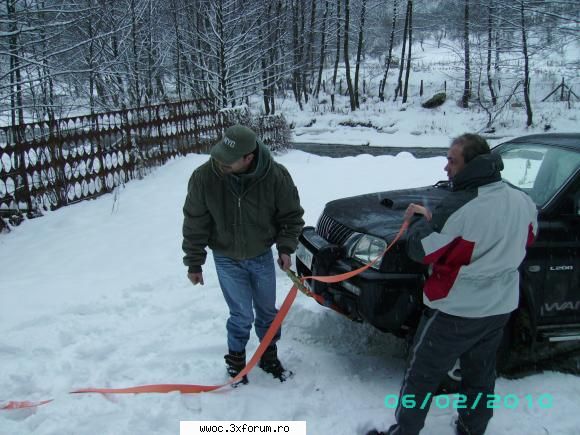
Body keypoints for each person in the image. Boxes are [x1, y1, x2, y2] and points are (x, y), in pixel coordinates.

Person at [368, 134, 537, 435]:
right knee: (480, 374)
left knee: (420, 376)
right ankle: (472, 429)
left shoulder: (461, 207)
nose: (446, 167)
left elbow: (421, 250)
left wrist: (419, 223)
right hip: (498, 308)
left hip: (455, 310)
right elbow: (527, 239)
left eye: (452, 160)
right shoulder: (523, 201)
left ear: (472, 165)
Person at [182, 124, 304, 384]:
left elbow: (291, 217)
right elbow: (195, 222)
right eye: (217, 157)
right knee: (241, 315)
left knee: (267, 312)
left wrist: (285, 247)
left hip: (260, 255)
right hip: (226, 257)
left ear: (248, 158)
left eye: (227, 162)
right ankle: (236, 360)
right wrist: (194, 262)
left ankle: (268, 356)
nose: (219, 164)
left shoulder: (275, 176)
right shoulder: (204, 177)